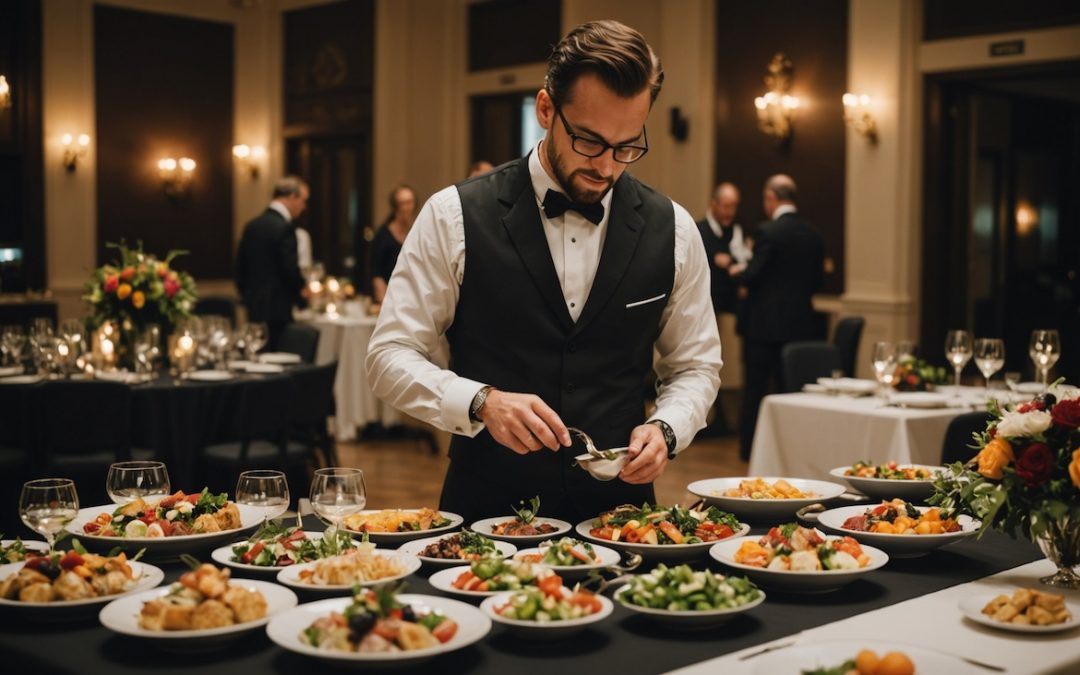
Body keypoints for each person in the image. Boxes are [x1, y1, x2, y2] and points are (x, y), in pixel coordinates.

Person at [366, 20, 722, 524]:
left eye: (627, 146)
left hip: (622, 521)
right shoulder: (453, 215)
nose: (607, 168)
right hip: (485, 519)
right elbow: (388, 355)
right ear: (546, 110)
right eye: (589, 142)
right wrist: (480, 402)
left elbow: (695, 366)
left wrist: (667, 428)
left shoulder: (676, 229)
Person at [731, 174, 823, 461]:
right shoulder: (813, 235)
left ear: (771, 197)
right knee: (791, 394)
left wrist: (737, 271)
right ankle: (791, 452)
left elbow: (752, 275)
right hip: (801, 328)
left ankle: (750, 451)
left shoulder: (767, 232)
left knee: (755, 392)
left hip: (764, 328)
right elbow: (817, 282)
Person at [697, 182, 752, 434]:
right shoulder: (700, 231)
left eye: (735, 206)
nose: (731, 211)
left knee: (728, 367)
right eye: (727, 205)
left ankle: (724, 420)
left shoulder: (737, 232)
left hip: (729, 312)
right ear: (714, 204)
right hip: (703, 312)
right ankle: (707, 420)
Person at [235, 176, 309, 351]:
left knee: (257, 356)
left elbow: (239, 269)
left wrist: (248, 297)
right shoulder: (284, 228)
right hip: (278, 309)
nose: (304, 207)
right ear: (292, 197)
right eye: (303, 201)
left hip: (253, 308)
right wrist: (302, 297)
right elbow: (289, 270)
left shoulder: (251, 225)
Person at [370, 184, 417, 304]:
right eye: (403, 203)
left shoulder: (415, 232)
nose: (407, 208)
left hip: (409, 299)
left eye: (410, 203)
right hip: (388, 299)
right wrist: (386, 304)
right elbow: (377, 274)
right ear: (395, 206)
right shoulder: (384, 235)